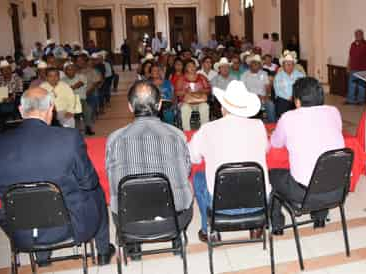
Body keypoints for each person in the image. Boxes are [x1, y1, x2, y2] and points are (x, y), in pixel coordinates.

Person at [0, 87, 115, 266]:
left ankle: (42, 258)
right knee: (96, 190)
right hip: (70, 226)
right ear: (51, 109)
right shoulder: (69, 138)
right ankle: (103, 252)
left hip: (20, 230)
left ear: (21, 111)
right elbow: (88, 181)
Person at [106, 81, 193, 259]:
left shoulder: (114, 139)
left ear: (130, 107)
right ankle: (176, 240)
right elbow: (186, 170)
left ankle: (134, 248)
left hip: (129, 222)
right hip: (174, 219)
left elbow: (112, 179)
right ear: (160, 104)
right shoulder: (177, 135)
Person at [189, 80, 271, 242]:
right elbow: (266, 149)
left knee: (198, 177)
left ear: (223, 108)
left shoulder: (208, 129)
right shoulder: (259, 125)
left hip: (221, 204)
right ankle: (255, 227)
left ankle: (209, 231)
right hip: (258, 202)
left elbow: (193, 157)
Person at [270, 77, 344, 234]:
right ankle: (320, 217)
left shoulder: (288, 118)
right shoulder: (334, 112)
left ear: (297, 101)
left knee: (272, 173)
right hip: (338, 189)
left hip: (303, 193)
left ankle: (277, 224)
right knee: (323, 168)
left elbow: (275, 144)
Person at [176, 60, 211, 131]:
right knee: (185, 108)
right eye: (189, 66)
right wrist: (185, 91)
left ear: (196, 67)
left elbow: (208, 90)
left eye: (193, 66)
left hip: (200, 101)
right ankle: (187, 131)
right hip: (186, 102)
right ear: (186, 68)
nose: (191, 68)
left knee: (205, 107)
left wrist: (201, 90)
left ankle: (204, 131)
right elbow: (176, 92)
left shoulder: (201, 77)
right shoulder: (181, 78)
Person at [241, 55, 276, 123]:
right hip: (249, 98)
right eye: (253, 63)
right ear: (250, 65)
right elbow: (242, 89)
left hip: (263, 98)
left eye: (257, 63)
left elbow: (268, 87)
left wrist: (267, 96)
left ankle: (272, 125)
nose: (255, 65)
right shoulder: (244, 75)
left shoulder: (264, 73)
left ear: (260, 65)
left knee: (270, 104)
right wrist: (254, 97)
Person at [345, 29, 366, 105]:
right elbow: (350, 56)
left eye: (359, 34)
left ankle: (360, 101)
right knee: (351, 85)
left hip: (363, 69)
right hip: (353, 68)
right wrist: (348, 66)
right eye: (356, 35)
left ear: (362, 35)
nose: (357, 36)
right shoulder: (353, 44)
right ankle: (350, 100)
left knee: (361, 86)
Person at [274, 51, 305, 118]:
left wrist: (295, 97)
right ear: (283, 65)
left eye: (291, 64)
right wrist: (288, 98)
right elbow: (278, 91)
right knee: (282, 102)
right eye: (287, 64)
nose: (289, 66)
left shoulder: (300, 75)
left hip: (297, 99)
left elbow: (303, 87)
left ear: (294, 65)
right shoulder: (279, 76)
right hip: (284, 99)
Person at [76, 53, 101, 135]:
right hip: (78, 96)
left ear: (85, 61)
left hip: (90, 94)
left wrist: (87, 93)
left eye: (80, 60)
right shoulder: (75, 72)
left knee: (90, 112)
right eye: (77, 61)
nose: (78, 62)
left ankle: (88, 127)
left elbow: (96, 83)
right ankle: (82, 128)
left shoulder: (92, 71)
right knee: (79, 113)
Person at [62, 62, 88, 132]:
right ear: (65, 71)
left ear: (75, 70)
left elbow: (79, 84)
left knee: (86, 110)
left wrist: (70, 88)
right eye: (68, 70)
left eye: (72, 69)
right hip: (68, 100)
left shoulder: (81, 76)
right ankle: (72, 128)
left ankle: (88, 126)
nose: (70, 71)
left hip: (80, 99)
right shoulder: (62, 80)